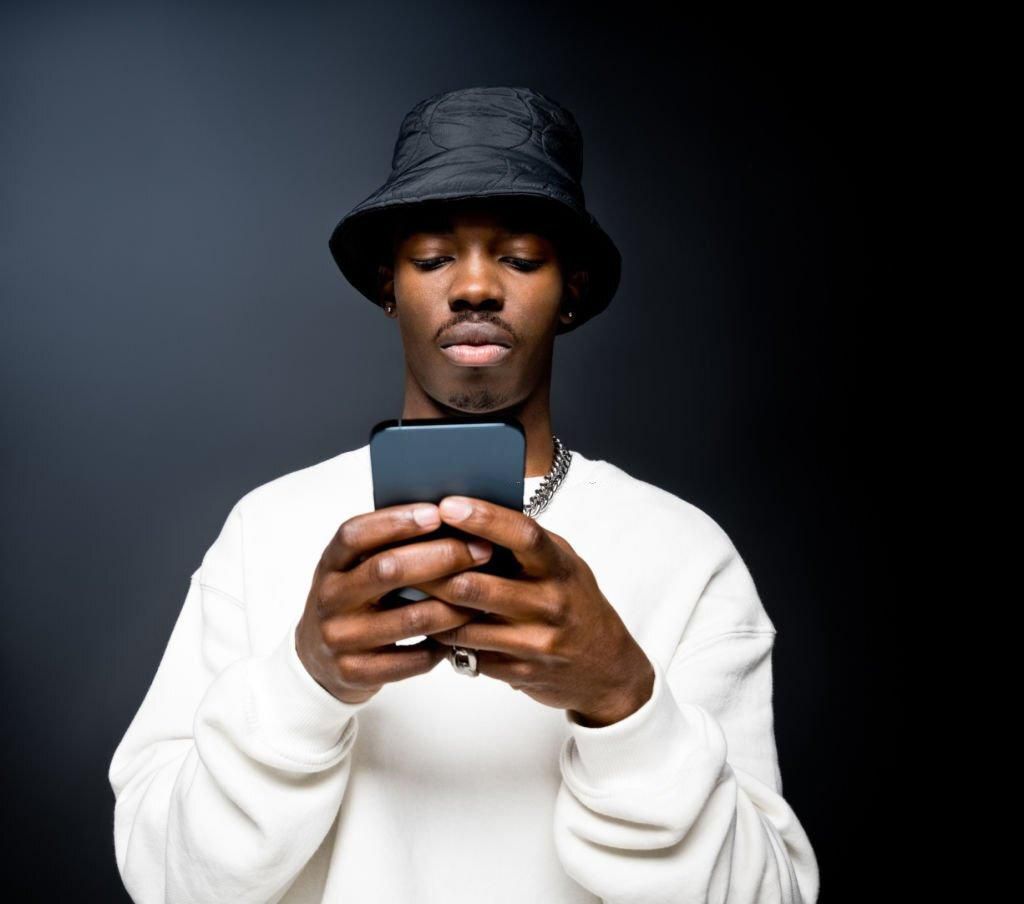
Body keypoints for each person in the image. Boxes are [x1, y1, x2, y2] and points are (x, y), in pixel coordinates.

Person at [108, 85, 820, 903]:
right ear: (388, 286)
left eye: (519, 258)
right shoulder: (266, 531)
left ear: (573, 291)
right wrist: (305, 680)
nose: (476, 287)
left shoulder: (687, 553)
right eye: (434, 258)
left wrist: (622, 696)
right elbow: (165, 881)